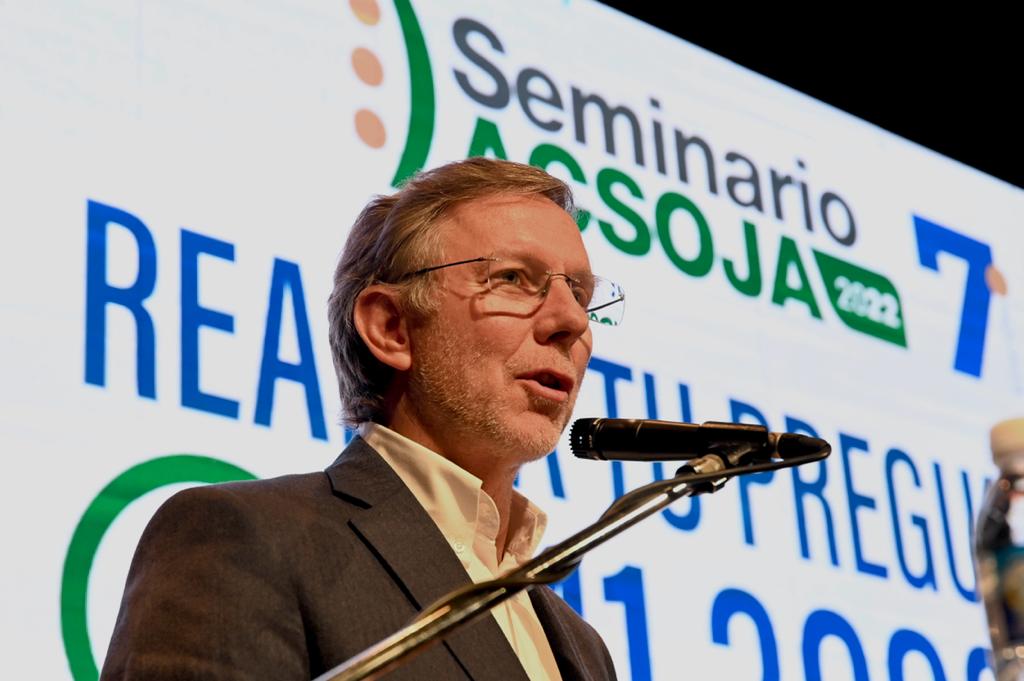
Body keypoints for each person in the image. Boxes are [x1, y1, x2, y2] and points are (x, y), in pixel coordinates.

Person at [101, 158, 624, 680]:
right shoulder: (246, 538)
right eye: (512, 278)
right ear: (391, 328)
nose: (572, 320)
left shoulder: (583, 649)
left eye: (579, 293)